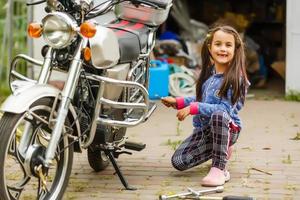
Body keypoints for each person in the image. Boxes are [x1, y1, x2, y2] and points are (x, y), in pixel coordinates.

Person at [161, 25, 249, 187]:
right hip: (205, 130)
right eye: (218, 44)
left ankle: (219, 168)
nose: (223, 49)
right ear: (210, 48)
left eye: (228, 45)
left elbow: (224, 110)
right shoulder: (209, 77)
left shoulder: (237, 79)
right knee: (179, 161)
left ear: (236, 50)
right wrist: (179, 102)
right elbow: (201, 99)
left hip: (227, 127)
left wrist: (194, 108)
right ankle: (221, 147)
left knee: (219, 115)